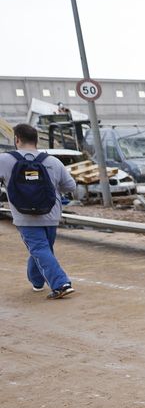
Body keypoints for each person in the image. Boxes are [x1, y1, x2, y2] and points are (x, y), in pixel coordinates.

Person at [0, 123, 77, 299]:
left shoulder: (4, 160)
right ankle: (36, 281)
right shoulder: (52, 161)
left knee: (40, 249)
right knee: (42, 249)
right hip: (51, 214)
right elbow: (70, 186)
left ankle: (60, 284)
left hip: (24, 215)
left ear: (17, 139)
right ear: (36, 141)